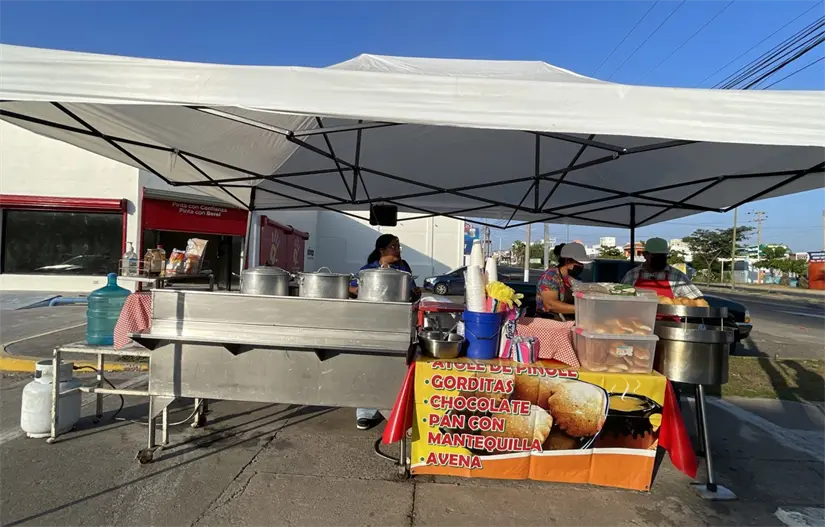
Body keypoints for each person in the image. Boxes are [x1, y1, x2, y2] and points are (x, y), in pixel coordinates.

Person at [350, 234, 420, 430]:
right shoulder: (368, 270)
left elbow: (411, 289)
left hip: (399, 323)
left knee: (396, 367)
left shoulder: (403, 267)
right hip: (372, 324)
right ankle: (365, 411)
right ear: (382, 250)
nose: (398, 250)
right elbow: (352, 288)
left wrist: (415, 293)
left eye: (398, 246)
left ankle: (395, 410)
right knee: (370, 365)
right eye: (393, 246)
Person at [620, 237, 702, 300]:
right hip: (637, 317)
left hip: (668, 317)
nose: (659, 259)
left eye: (662, 255)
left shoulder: (678, 276)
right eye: (655, 256)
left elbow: (697, 299)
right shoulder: (632, 275)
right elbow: (620, 297)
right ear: (645, 255)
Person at [536, 242, 591, 321]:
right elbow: (550, 304)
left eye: (582, 263)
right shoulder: (550, 277)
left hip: (571, 321)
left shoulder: (576, 279)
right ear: (567, 261)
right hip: (551, 322)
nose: (581, 266)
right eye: (579, 263)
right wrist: (580, 309)